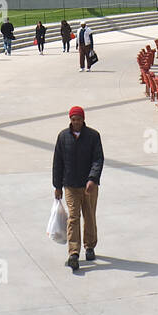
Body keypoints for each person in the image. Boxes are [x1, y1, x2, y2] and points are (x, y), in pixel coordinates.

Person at [52, 106, 104, 271]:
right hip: (70, 185)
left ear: (83, 120)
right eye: (73, 119)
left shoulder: (93, 136)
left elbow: (98, 159)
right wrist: (57, 186)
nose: (76, 122)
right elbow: (57, 162)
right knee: (73, 218)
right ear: (70, 120)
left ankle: (89, 246)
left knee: (89, 216)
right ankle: (73, 253)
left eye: (79, 119)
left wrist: (92, 179)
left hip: (89, 186)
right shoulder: (63, 137)